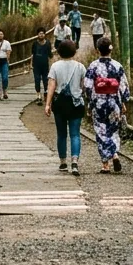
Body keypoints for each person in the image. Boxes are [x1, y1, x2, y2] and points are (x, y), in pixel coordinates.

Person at [84, 36, 130, 173]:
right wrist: (123, 102)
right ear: (111, 49)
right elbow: (123, 86)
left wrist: (90, 101)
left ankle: (106, 164)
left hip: (99, 102)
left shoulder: (93, 66)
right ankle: (114, 153)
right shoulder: (117, 66)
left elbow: (87, 86)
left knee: (100, 132)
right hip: (114, 102)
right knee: (113, 130)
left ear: (98, 50)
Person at [45, 39, 87, 176]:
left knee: (61, 134)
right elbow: (83, 86)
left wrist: (47, 104)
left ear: (59, 51)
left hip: (60, 103)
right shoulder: (80, 67)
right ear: (74, 51)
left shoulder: (55, 66)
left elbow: (51, 85)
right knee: (75, 134)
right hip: (76, 103)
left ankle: (63, 162)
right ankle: (74, 161)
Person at [31, 28, 53, 105]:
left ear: (45, 34)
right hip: (36, 65)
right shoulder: (34, 44)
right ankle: (38, 96)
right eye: (40, 33)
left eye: (42, 33)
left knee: (45, 81)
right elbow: (32, 55)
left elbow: (50, 55)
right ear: (37, 35)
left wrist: (51, 65)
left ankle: (46, 94)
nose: (41, 35)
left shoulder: (48, 43)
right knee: (37, 80)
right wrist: (31, 65)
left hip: (45, 65)